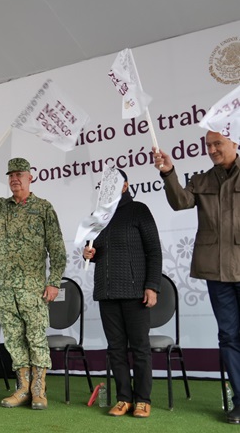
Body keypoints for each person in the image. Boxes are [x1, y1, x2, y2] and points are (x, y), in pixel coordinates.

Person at [153, 130, 240, 424]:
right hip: (217, 273)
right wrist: (169, 173)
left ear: (235, 143)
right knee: (228, 336)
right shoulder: (202, 180)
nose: (213, 149)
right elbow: (180, 201)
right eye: (209, 145)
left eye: (219, 143)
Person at [0, 154, 66, 410]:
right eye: (11, 176)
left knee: (36, 338)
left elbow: (56, 247)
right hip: (7, 286)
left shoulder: (43, 208)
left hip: (33, 286)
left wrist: (54, 281)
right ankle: (22, 388)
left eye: (19, 175)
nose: (14, 179)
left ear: (30, 177)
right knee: (13, 339)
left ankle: (38, 390)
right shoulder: (2, 207)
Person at [82, 169, 161, 418]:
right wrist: (88, 253)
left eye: (113, 183)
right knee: (115, 348)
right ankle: (123, 398)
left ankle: (143, 399)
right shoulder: (98, 217)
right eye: (104, 184)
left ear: (125, 185)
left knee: (139, 347)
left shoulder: (139, 210)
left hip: (135, 291)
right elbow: (94, 249)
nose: (108, 187)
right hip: (107, 292)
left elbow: (154, 251)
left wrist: (152, 285)